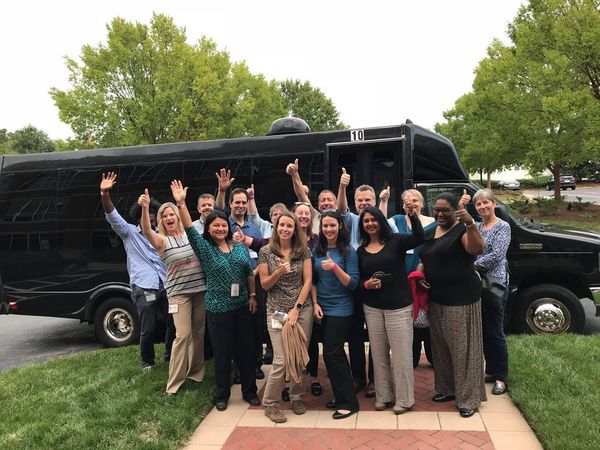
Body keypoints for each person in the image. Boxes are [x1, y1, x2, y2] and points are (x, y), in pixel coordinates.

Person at [171, 179, 260, 412]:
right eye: (216, 226)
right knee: (222, 353)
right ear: (209, 229)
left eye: (223, 225)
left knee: (246, 350)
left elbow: (248, 272)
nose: (221, 229)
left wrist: (252, 295)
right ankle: (221, 394)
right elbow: (189, 229)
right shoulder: (205, 248)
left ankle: (250, 391)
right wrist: (181, 204)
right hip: (218, 309)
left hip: (242, 306)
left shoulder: (238, 246)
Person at [418, 192, 486, 418]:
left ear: (457, 210)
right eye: (436, 210)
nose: (439, 214)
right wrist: (419, 273)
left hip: (461, 298)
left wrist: (471, 224)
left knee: (462, 350)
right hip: (436, 297)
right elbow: (425, 257)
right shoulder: (432, 231)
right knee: (441, 348)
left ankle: (468, 399)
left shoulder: (463, 230)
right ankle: (447, 389)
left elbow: (476, 249)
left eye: (445, 210)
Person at [100, 172, 174, 371]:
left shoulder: (163, 236)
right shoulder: (129, 233)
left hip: (166, 285)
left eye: (153, 218)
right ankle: (147, 362)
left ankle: (169, 357)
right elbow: (112, 215)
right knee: (148, 327)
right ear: (139, 217)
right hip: (144, 287)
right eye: (147, 217)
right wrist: (105, 195)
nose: (150, 222)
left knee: (173, 321)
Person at [138, 190, 206, 397]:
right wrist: (145, 208)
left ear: (177, 217)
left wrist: (181, 202)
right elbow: (146, 230)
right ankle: (174, 384)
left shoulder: (190, 234)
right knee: (183, 335)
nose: (169, 218)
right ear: (161, 221)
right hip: (179, 294)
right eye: (164, 216)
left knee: (198, 333)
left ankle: (195, 373)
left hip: (200, 290)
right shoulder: (161, 241)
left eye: (171, 214)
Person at [336, 169, 398, 398]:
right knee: (354, 334)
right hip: (354, 285)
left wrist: (384, 203)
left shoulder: (386, 225)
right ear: (355, 203)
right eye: (360, 201)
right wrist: (342, 187)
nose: (364, 204)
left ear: (374, 202)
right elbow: (341, 210)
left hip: (376, 287)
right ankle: (358, 377)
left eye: (368, 200)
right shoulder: (351, 220)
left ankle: (375, 379)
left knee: (376, 335)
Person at [357, 206, 424, 414]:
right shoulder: (361, 250)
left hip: (398, 307)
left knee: (402, 356)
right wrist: (367, 284)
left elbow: (419, 238)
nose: (370, 224)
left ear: (381, 221)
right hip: (373, 309)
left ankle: (404, 399)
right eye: (366, 221)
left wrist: (412, 215)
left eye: (373, 220)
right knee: (378, 355)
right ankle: (383, 396)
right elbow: (358, 280)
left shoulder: (397, 241)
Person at [258, 212, 313, 424]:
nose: (285, 229)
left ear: (295, 229)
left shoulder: (303, 250)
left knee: (298, 356)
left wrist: (297, 308)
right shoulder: (266, 252)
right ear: (276, 227)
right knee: (281, 359)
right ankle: (270, 403)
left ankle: (296, 397)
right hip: (277, 311)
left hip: (301, 310)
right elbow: (265, 285)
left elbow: (307, 281)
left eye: (289, 226)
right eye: (282, 225)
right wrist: (279, 272)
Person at [215, 169, 266, 380]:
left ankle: (256, 364)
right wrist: (221, 190)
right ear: (230, 204)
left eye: (244, 202)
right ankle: (238, 367)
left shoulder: (254, 228)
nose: (240, 206)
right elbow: (215, 212)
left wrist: (255, 272)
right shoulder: (223, 225)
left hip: (255, 281)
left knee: (255, 325)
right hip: (232, 283)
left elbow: (262, 254)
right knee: (235, 327)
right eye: (236, 202)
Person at [312, 210, 360, 419]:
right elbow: (313, 281)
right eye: (325, 225)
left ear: (340, 226)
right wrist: (315, 303)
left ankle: (349, 403)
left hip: (341, 308)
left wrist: (334, 268)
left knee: (332, 352)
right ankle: (341, 396)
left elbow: (353, 283)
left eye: (332, 225)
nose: (329, 229)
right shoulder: (317, 250)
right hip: (322, 307)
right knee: (331, 353)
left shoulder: (348, 251)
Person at [391, 189, 436, 368]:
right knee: (409, 318)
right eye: (407, 201)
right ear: (403, 205)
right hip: (404, 278)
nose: (411, 204)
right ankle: (413, 356)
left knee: (428, 314)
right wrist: (384, 201)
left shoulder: (433, 223)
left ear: (422, 203)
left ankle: (433, 356)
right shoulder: (397, 221)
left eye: (415, 200)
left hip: (427, 276)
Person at [473, 189, 511, 396]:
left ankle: (500, 377)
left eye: (485, 202)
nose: (482, 207)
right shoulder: (477, 226)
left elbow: (497, 255)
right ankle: (490, 370)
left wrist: (471, 266)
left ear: (494, 204)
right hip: (477, 284)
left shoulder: (502, 226)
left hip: (494, 285)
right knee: (483, 330)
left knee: (495, 331)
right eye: (478, 204)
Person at [292, 201, 321, 396]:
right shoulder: (288, 237)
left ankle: (313, 378)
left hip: (313, 294)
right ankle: (292, 380)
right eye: (300, 213)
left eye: (307, 213)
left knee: (312, 340)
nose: (303, 216)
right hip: (290, 296)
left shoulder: (317, 240)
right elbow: (263, 243)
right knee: (292, 340)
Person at [285, 158, 337, 235]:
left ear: (336, 204)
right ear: (318, 205)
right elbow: (301, 196)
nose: (326, 203)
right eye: (323, 200)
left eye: (329, 200)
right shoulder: (313, 216)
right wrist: (294, 174)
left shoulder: (343, 218)